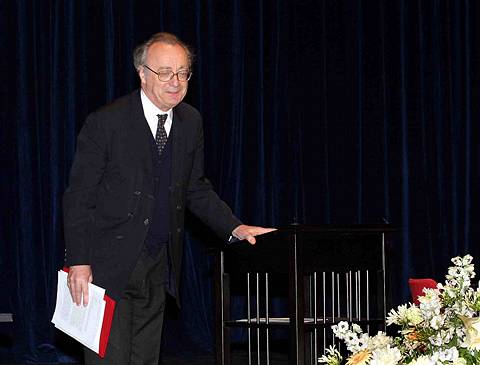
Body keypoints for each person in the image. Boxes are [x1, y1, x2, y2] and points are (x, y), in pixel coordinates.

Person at [63, 32, 275, 365]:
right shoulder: (106, 122)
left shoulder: (191, 122)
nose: (175, 81)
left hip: (158, 266)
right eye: (165, 72)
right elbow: (78, 197)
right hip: (105, 270)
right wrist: (79, 261)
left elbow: (196, 188)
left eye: (182, 72)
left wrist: (235, 228)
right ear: (142, 73)